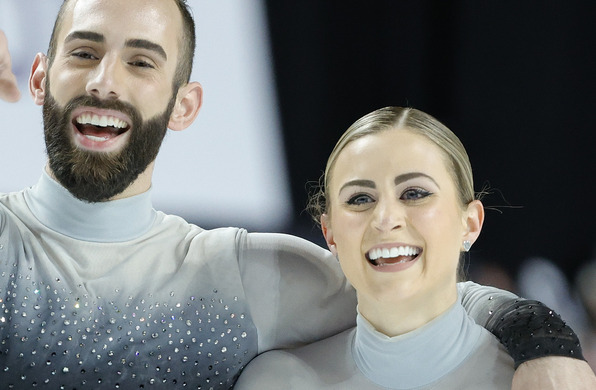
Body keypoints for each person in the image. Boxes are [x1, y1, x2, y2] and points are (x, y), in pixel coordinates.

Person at [0, 0, 590, 389]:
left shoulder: (243, 278)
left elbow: (426, 292)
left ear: (185, 105)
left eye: (142, 61)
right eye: (83, 53)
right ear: (40, 77)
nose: (105, 81)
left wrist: (543, 341)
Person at [235, 107, 596, 389]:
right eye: (360, 198)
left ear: (470, 223)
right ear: (330, 234)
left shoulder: (536, 380)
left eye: (414, 193)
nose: (385, 217)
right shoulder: (276, 382)